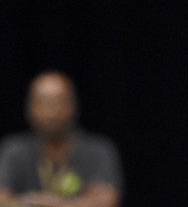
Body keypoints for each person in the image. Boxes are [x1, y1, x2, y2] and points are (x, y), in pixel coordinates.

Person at [0, 71, 123, 207]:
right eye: (43, 102)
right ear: (29, 107)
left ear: (73, 106)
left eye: (59, 102)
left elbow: (107, 201)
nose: (51, 112)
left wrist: (44, 202)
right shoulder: (13, 150)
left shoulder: (98, 150)